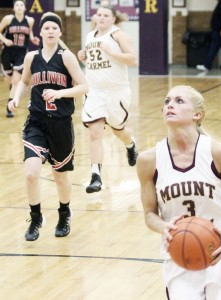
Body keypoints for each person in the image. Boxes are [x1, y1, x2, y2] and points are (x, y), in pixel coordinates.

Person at [137, 85, 221, 299]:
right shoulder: (149, 160)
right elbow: (149, 214)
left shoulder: (217, 152)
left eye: (179, 101)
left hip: (219, 255)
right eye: (167, 101)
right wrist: (164, 227)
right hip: (178, 258)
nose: (170, 105)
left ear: (197, 114)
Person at [8, 12, 89, 241]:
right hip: (36, 121)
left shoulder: (67, 57)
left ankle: (64, 213)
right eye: (47, 28)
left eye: (55, 28)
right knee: (31, 174)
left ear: (59, 32)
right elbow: (24, 81)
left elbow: (84, 86)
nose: (51, 31)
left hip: (61, 124)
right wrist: (15, 98)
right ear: (41, 32)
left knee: (60, 176)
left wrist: (60, 92)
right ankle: (36, 218)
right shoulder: (31, 58)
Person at [78, 4, 138, 194]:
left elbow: (133, 60)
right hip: (94, 90)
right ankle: (95, 176)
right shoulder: (90, 36)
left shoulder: (118, 35)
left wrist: (111, 52)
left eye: (106, 15)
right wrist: (83, 57)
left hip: (116, 91)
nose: (101, 18)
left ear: (113, 19)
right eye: (99, 14)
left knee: (118, 130)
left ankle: (131, 144)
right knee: (95, 133)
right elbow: (93, 59)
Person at [0, 0, 40, 118]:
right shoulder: (8, 19)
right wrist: (5, 40)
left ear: (24, 8)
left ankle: (10, 107)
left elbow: (30, 33)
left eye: (21, 5)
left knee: (16, 80)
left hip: (22, 53)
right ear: (13, 8)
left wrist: (33, 39)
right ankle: (13, 90)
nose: (19, 7)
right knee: (9, 81)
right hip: (7, 52)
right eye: (16, 5)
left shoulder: (30, 20)